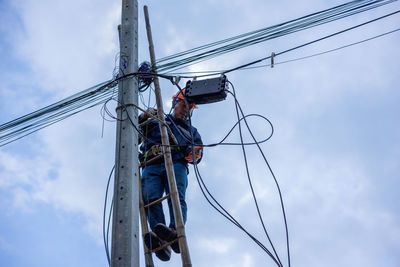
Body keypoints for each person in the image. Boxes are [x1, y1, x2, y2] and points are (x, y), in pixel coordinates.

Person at [139, 89, 203, 261]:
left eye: (189, 109)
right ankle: (161, 238)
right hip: (152, 163)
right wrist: (144, 117)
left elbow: (197, 152)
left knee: (176, 197)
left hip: (176, 162)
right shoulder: (156, 120)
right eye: (183, 106)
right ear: (175, 104)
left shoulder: (191, 130)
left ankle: (174, 231)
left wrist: (195, 155)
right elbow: (136, 132)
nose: (185, 111)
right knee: (150, 198)